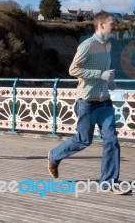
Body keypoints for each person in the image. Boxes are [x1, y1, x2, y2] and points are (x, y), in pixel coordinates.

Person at [47, 11, 122, 193]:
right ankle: (54, 155)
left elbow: (104, 69)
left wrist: (109, 81)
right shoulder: (88, 45)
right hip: (87, 101)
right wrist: (99, 75)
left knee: (111, 140)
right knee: (83, 140)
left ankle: (108, 182)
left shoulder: (107, 46)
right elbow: (73, 69)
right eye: (113, 24)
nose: (116, 27)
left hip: (104, 101)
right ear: (101, 25)